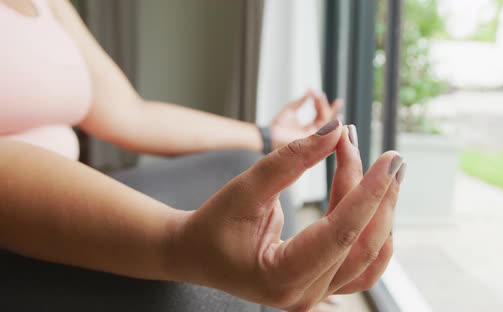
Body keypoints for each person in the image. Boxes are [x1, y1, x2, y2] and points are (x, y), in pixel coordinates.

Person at [0, 0, 407, 311]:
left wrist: (269, 137)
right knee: (196, 291)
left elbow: (129, 113)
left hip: (58, 184)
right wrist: (176, 243)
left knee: (244, 170)